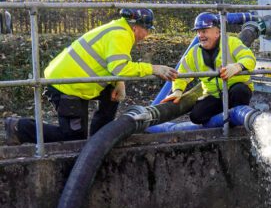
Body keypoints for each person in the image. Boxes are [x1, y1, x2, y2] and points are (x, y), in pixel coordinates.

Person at [4, 8, 178, 145]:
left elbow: (112, 64)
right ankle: (19, 128)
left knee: (111, 95)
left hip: (78, 81)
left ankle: (98, 140)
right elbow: (119, 67)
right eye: (146, 30)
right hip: (66, 85)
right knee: (73, 137)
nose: (147, 35)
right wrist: (153, 68)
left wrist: (118, 82)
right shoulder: (121, 34)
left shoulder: (118, 29)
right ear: (135, 26)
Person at [161, 12, 256, 125]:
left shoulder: (231, 42)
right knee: (196, 116)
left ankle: (238, 119)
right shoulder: (194, 52)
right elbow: (182, 73)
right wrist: (177, 91)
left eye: (204, 31)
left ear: (217, 32)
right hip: (214, 95)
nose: (200, 35)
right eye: (199, 32)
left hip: (234, 92)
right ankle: (225, 119)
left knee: (240, 90)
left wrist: (237, 66)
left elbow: (250, 58)